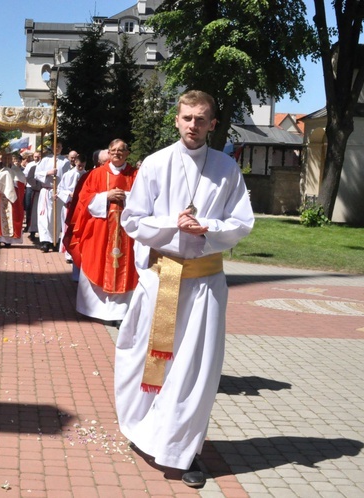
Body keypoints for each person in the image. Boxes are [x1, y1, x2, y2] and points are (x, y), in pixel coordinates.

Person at [114, 90, 254, 488]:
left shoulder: (227, 168)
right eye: (187, 117)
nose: (193, 125)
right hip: (162, 280)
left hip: (206, 284)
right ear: (176, 120)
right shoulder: (157, 163)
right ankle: (144, 429)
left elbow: (242, 223)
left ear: (213, 123)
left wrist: (207, 228)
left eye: (201, 118)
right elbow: (134, 220)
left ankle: (186, 450)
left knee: (197, 371)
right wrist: (172, 224)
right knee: (148, 361)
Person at [65, 140, 139, 322]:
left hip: (127, 232)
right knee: (96, 262)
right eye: (113, 150)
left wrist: (125, 196)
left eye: (121, 150)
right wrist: (106, 196)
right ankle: (97, 311)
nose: (117, 154)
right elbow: (84, 198)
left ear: (127, 153)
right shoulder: (96, 174)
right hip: (100, 231)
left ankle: (122, 314)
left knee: (126, 269)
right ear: (108, 153)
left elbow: (145, 198)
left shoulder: (136, 175)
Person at [0, 152, 27, 247]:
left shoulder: (16, 170)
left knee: (11, 217)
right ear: (1, 158)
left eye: (9, 158)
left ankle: (8, 240)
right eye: (5, 157)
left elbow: (21, 182)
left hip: (12, 198)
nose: (7, 160)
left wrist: (12, 183)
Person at [34, 143, 69, 252]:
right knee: (45, 216)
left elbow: (66, 177)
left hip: (58, 192)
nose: (57, 148)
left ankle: (54, 240)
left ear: (62, 148)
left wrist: (61, 191)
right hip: (46, 190)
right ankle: (44, 241)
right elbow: (36, 174)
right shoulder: (45, 160)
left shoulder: (65, 161)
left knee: (56, 215)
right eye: (55, 146)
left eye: (59, 146)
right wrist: (48, 173)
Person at [57, 152, 86, 264]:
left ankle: (76, 252)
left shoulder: (86, 175)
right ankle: (68, 253)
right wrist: (69, 194)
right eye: (79, 165)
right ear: (75, 162)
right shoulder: (68, 175)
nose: (81, 167)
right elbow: (60, 189)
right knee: (68, 228)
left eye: (83, 165)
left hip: (80, 206)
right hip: (69, 205)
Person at [23, 150, 42, 240]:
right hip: (31, 188)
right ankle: (30, 227)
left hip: (41, 189)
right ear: (33, 157)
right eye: (35, 156)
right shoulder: (30, 165)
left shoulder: (43, 165)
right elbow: (26, 176)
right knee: (29, 207)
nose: (37, 158)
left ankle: (39, 229)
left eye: (38, 156)